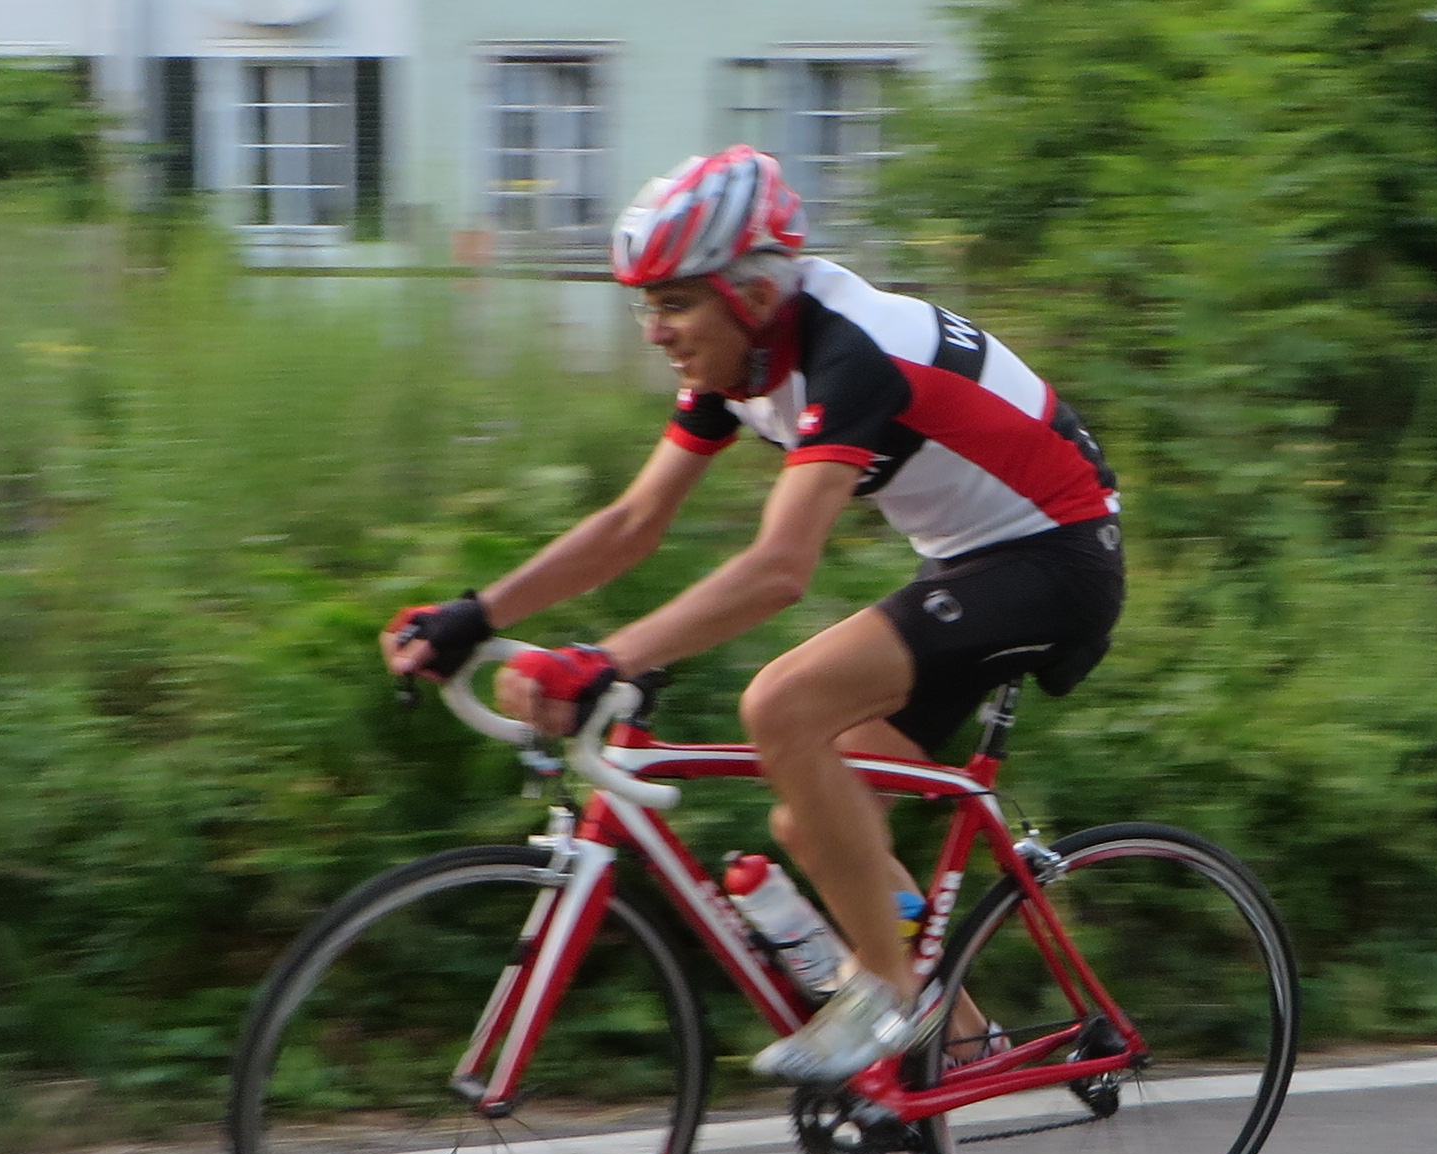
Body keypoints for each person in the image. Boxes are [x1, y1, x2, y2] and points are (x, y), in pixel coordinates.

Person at [385, 146, 1126, 1086]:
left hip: (1058, 558)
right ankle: (960, 1042)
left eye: (674, 303)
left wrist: (608, 659)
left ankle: (888, 996)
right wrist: (475, 611)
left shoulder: (854, 352)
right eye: (645, 305)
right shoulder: (745, 362)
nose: (655, 331)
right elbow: (633, 522)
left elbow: (780, 568)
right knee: (817, 820)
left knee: (782, 704)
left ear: (755, 293)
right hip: (973, 561)